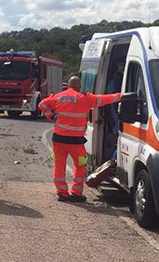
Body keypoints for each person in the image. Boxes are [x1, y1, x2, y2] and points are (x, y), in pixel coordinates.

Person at [38, 75, 121, 203]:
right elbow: (106, 99)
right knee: (80, 165)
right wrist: (122, 95)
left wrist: (51, 116)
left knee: (59, 165)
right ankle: (76, 193)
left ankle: (62, 193)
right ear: (79, 86)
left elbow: (42, 104)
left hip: (58, 139)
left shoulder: (58, 96)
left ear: (68, 85)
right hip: (75, 141)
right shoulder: (85, 98)